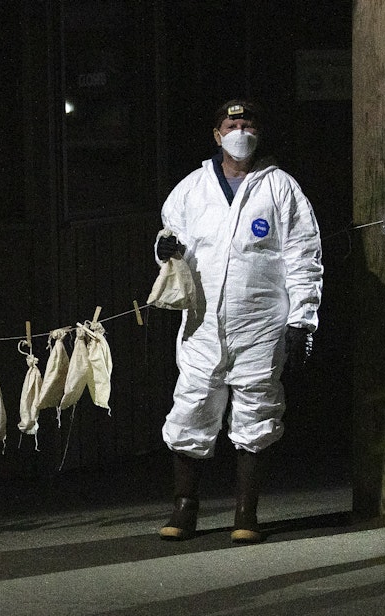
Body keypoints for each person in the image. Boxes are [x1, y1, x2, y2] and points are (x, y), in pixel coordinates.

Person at [154, 99, 323, 543]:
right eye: (231, 123)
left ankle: (246, 512)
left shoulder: (281, 188)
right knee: (192, 404)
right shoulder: (192, 188)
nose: (239, 128)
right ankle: (184, 508)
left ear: (258, 132)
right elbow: (169, 235)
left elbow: (304, 255)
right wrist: (164, 249)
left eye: (247, 121)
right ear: (217, 133)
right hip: (203, 320)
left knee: (257, 410)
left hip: (262, 320)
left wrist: (303, 318)